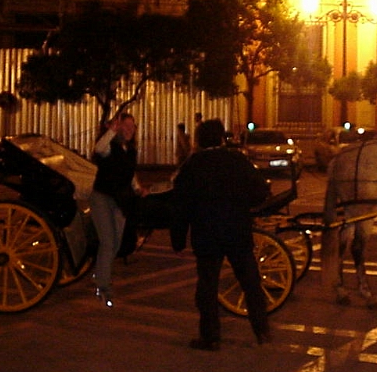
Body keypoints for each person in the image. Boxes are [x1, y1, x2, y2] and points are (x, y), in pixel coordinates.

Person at [171, 118, 272, 350]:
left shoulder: (192, 165)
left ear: (199, 140)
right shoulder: (238, 160)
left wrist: (178, 240)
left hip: (207, 234)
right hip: (237, 231)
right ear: (220, 138)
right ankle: (261, 329)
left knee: (207, 286)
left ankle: (210, 336)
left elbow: (181, 206)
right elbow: (259, 191)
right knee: (250, 282)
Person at [90, 113, 146, 307]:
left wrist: (138, 188)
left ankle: (100, 272)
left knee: (116, 243)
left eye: (132, 126)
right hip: (103, 198)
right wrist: (110, 131)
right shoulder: (109, 146)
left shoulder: (130, 150)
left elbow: (130, 173)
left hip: (120, 200)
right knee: (108, 241)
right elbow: (98, 149)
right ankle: (103, 286)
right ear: (118, 127)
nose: (129, 130)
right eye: (126, 126)